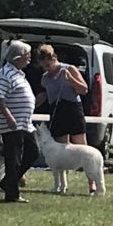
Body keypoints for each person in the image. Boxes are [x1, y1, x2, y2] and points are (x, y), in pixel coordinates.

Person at [35, 45, 94, 192]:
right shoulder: (45, 78)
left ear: (54, 58)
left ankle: (92, 184)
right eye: (44, 67)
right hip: (57, 111)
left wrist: (72, 80)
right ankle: (62, 185)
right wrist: (31, 105)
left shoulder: (69, 69)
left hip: (73, 109)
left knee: (82, 148)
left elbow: (84, 89)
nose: (47, 69)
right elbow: (43, 95)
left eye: (48, 65)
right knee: (62, 151)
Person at [0, 41, 38, 203]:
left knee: (33, 152)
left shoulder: (19, 73)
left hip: (25, 123)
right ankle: (12, 193)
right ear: (18, 57)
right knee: (14, 158)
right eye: (27, 55)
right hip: (12, 123)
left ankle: (8, 182)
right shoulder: (4, 73)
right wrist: (9, 117)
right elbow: (0, 98)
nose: (29, 59)